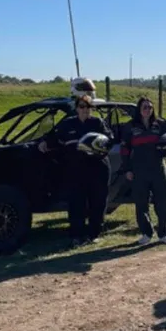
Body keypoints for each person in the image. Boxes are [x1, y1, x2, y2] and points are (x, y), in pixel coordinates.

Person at [38, 94, 114, 248]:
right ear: (77, 108)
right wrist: (44, 142)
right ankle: (77, 235)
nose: (85, 110)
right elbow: (53, 137)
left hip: (98, 168)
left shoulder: (98, 123)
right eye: (81, 106)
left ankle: (94, 234)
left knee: (97, 202)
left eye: (88, 107)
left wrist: (102, 144)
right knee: (76, 203)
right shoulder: (67, 124)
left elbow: (110, 139)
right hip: (75, 170)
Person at [120, 96, 166, 246]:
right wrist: (127, 169)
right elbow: (124, 149)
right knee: (141, 203)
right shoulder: (131, 126)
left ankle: (163, 233)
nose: (147, 110)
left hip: (158, 167)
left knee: (163, 201)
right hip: (139, 169)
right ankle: (146, 233)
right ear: (139, 109)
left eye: (150, 107)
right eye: (144, 107)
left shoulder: (160, 123)